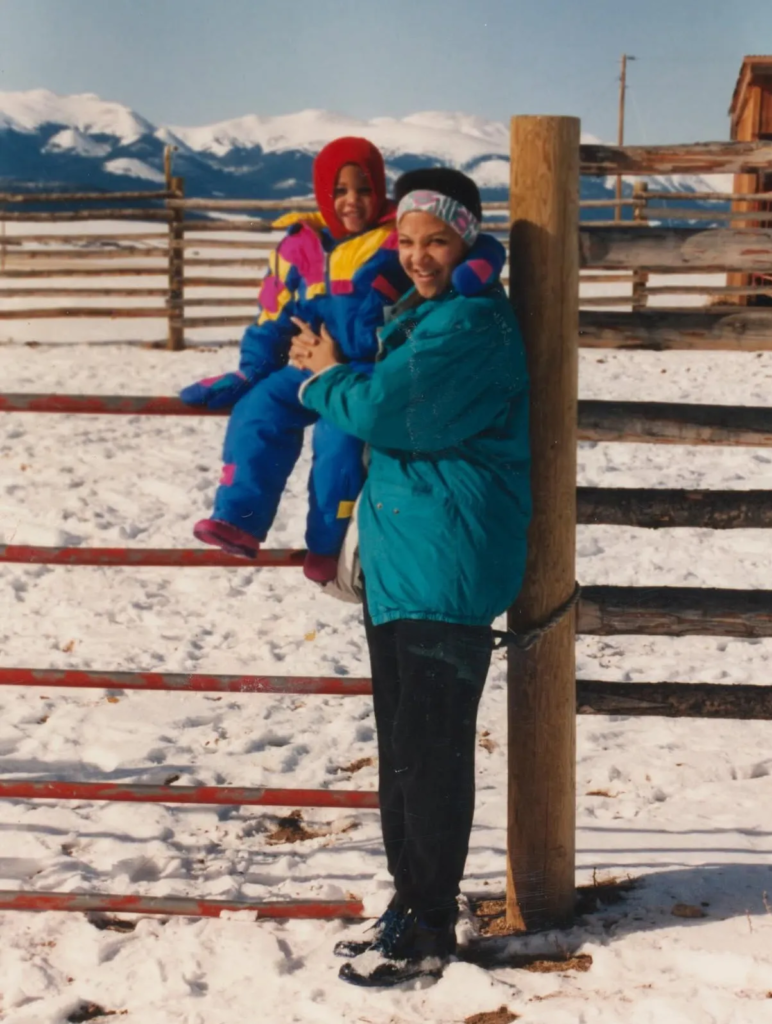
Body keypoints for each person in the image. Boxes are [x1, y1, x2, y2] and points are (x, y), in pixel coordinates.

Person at [290, 167, 531, 986]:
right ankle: (409, 905)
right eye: (408, 241)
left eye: (437, 241)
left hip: (446, 564)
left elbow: (394, 409)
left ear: (467, 240)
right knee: (402, 751)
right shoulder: (429, 313)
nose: (420, 256)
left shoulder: (471, 324)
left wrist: (325, 375)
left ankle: (430, 926)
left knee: (428, 755)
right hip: (410, 563)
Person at [180, 139, 507, 583]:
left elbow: (470, 239)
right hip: (305, 363)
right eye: (338, 190)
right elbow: (272, 313)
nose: (351, 201)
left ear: (380, 189)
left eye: (364, 189)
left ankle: (326, 546)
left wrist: (477, 271)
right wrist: (250, 370)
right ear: (320, 193)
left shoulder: (396, 233)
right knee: (256, 412)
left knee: (340, 443)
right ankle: (239, 518)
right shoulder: (299, 245)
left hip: (366, 369)